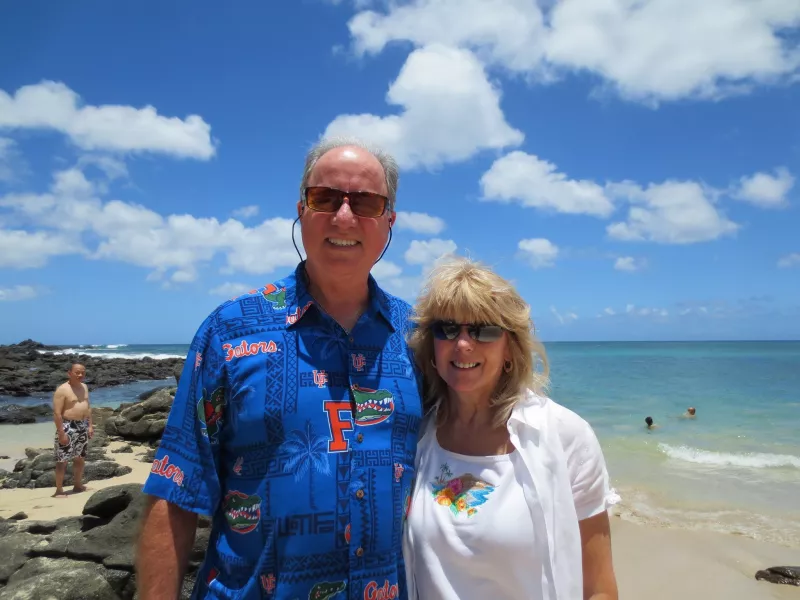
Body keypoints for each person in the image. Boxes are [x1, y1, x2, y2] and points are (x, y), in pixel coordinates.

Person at [136, 137, 423, 600]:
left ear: (389, 221)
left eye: (365, 202)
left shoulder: (419, 338)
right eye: (325, 198)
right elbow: (175, 490)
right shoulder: (230, 332)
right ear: (301, 210)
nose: (344, 216)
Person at [404, 257, 620, 600]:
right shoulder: (416, 436)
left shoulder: (564, 436)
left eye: (483, 330)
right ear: (432, 347)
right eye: (447, 329)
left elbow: (599, 588)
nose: (463, 344)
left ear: (510, 348)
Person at [52, 363, 93, 498]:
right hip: (67, 426)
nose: (80, 375)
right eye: (77, 372)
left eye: (83, 372)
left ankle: (77, 485)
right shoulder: (62, 390)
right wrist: (61, 433)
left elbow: (88, 407)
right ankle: (59, 490)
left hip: (82, 425)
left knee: (80, 458)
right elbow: (57, 414)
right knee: (62, 460)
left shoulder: (85, 387)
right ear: (69, 373)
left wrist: (90, 425)